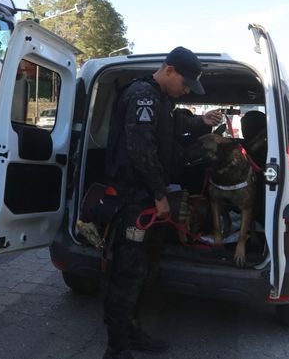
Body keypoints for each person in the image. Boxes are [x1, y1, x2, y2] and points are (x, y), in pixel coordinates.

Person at [103, 46, 223, 359]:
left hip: (149, 199)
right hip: (135, 199)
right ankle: (116, 349)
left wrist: (202, 123)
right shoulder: (143, 94)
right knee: (126, 273)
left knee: (144, 269)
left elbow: (170, 132)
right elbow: (140, 149)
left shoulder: (162, 100)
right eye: (185, 83)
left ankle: (132, 331)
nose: (186, 90)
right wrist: (159, 195)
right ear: (169, 70)